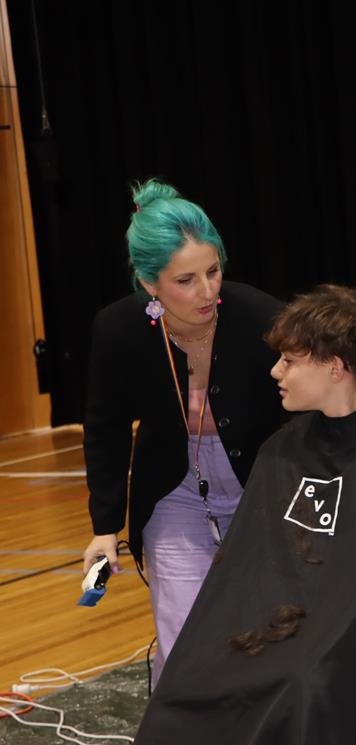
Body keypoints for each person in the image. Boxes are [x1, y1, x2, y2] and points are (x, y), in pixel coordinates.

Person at [124, 285, 356, 745]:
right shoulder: (281, 452)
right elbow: (248, 570)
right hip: (281, 628)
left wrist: (323, 637)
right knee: (184, 680)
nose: (275, 372)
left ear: (335, 367)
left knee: (303, 686)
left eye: (289, 361)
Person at [80, 179, 285, 686]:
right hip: (173, 490)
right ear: (150, 284)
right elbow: (104, 428)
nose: (208, 292)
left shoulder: (261, 315)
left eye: (213, 272)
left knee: (272, 629)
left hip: (259, 482)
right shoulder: (118, 329)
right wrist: (104, 527)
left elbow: (301, 414)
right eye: (185, 280)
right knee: (184, 641)